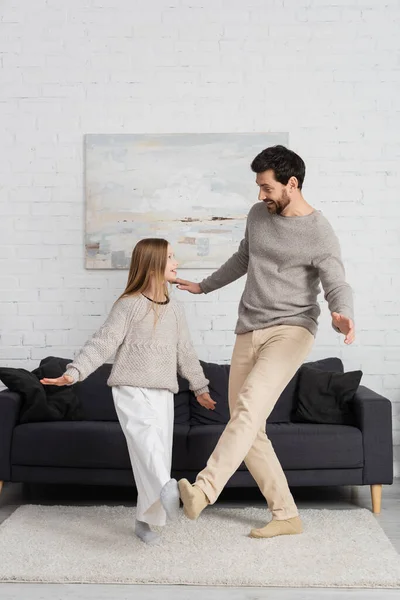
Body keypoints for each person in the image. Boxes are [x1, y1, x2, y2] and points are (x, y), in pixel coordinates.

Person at [176, 145, 355, 539]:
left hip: (291, 330)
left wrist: (343, 314)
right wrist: (203, 286)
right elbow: (244, 258)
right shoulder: (259, 215)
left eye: (267, 187)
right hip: (249, 327)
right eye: (259, 187)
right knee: (249, 424)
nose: (260, 196)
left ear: (292, 184)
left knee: (247, 412)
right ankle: (286, 515)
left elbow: (336, 282)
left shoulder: (318, 231)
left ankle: (204, 491)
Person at [40, 238, 216, 544]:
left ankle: (143, 521)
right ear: (152, 265)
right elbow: (103, 341)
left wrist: (199, 387)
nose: (176, 263)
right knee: (147, 444)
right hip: (130, 388)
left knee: (154, 455)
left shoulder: (174, 310)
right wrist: (74, 373)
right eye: (170, 257)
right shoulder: (129, 305)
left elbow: (185, 352)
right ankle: (173, 491)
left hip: (163, 392)